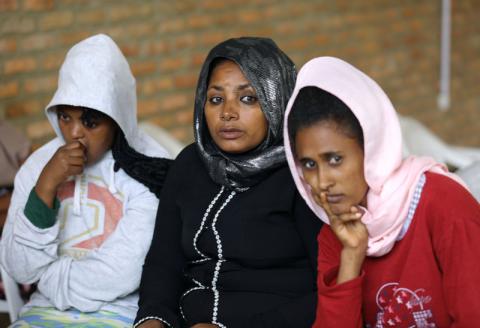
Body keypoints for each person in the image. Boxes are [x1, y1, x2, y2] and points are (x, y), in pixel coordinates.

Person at [134, 37, 322, 328]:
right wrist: (153, 317)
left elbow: (331, 289)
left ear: (277, 100)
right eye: (216, 99)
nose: (227, 113)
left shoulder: (303, 174)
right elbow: (163, 260)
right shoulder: (189, 164)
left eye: (248, 98)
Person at [284, 56, 480, 327]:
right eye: (308, 164)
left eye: (335, 159)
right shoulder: (335, 233)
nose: (321, 181)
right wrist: (352, 256)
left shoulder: (444, 204)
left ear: (372, 148)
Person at [0, 34, 172, 327]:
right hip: (44, 311)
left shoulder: (150, 167)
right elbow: (21, 269)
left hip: (124, 311)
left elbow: (123, 273)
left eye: (90, 121)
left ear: (117, 117)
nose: (74, 133)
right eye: (65, 117)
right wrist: (45, 187)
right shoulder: (40, 166)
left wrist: (52, 279)